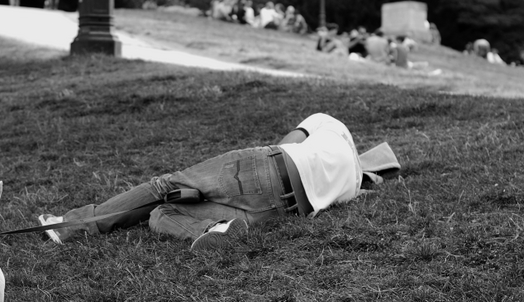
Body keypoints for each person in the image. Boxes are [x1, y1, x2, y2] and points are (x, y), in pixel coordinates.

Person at [38, 114, 401, 252]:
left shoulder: (331, 124)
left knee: (165, 186)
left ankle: (70, 226)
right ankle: (219, 228)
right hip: (282, 210)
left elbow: (288, 143)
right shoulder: (353, 187)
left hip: (269, 166)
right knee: (161, 213)